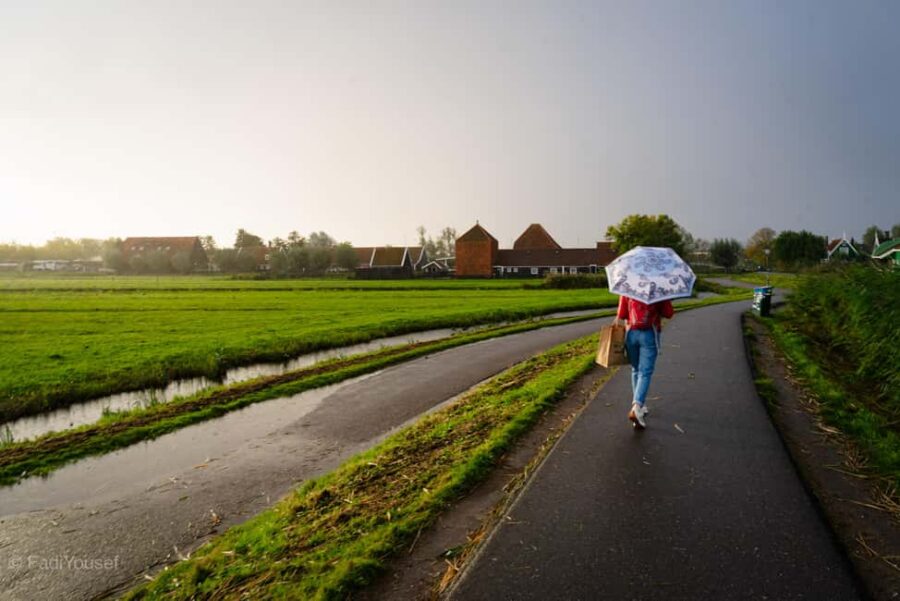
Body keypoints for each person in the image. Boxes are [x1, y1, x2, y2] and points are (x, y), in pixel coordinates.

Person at [615, 295, 674, 429]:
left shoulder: (628, 287)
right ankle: (637, 407)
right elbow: (668, 313)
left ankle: (640, 404)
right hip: (649, 334)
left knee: (636, 369)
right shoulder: (659, 290)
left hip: (631, 334)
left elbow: (622, 313)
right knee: (645, 372)